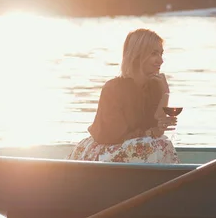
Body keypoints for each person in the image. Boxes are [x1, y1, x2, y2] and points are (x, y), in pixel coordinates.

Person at [66, 28, 180, 163]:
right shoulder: (113, 88)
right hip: (107, 148)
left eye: (161, 54)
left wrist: (165, 93)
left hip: (137, 147)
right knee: (153, 146)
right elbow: (113, 135)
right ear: (138, 56)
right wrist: (150, 133)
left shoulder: (155, 87)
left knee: (161, 143)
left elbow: (157, 130)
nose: (160, 61)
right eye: (154, 54)